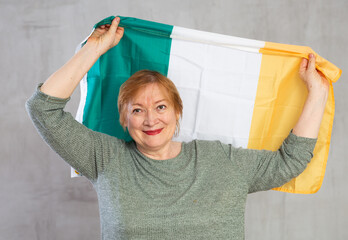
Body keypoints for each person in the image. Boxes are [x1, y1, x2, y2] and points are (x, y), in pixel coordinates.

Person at [26, 17, 329, 240]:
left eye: (160, 107)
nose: (150, 119)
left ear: (177, 112)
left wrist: (318, 93)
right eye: (137, 110)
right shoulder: (105, 158)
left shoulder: (222, 162)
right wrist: (94, 49)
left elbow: (290, 160)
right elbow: (43, 109)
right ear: (124, 119)